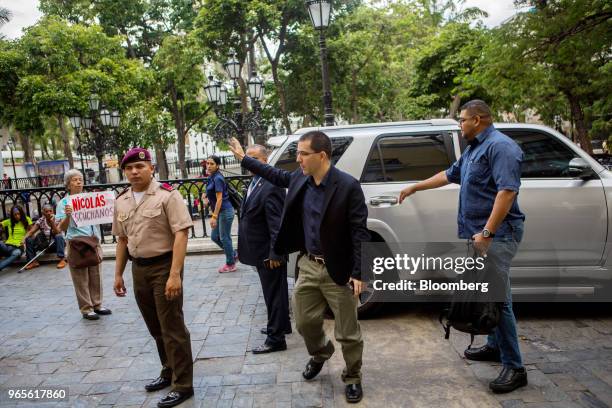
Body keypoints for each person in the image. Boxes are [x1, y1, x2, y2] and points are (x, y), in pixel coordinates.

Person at [228, 132, 370, 404]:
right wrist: (243, 159)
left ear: (322, 156)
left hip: (338, 270)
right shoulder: (299, 179)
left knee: (348, 332)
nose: (298, 159)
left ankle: (352, 377)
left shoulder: (348, 186)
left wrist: (359, 272)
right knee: (304, 323)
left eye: (303, 154)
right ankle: (320, 352)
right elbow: (273, 174)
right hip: (307, 265)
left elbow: (360, 232)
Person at [399, 100, 527, 394]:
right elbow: (449, 174)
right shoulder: (474, 148)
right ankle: (495, 347)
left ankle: (515, 367)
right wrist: (415, 186)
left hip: (497, 235)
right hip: (481, 236)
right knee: (487, 293)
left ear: (478, 119)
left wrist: (487, 232)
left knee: (498, 299)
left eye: (462, 120)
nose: (460, 125)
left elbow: (507, 193)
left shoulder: (501, 147)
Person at [113, 147, 194, 408]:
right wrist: (118, 274)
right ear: (124, 171)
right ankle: (168, 369)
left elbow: (182, 234)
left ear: (151, 168)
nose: (134, 172)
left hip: (164, 266)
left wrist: (175, 275)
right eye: (129, 168)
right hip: (139, 269)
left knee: (172, 326)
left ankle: (183, 385)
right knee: (155, 327)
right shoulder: (122, 200)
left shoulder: (168, 196)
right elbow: (122, 240)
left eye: (140, 167)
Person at [238, 144, 291, 354]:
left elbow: (276, 223)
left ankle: (275, 338)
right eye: (247, 157)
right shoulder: (256, 182)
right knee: (276, 292)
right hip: (259, 249)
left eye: (255, 158)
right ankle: (281, 325)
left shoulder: (271, 185)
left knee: (274, 294)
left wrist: (275, 253)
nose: (250, 162)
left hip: (269, 253)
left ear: (265, 161)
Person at [56, 169, 111, 321]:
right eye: (75, 180)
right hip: (76, 241)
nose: (79, 182)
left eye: (80, 179)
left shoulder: (89, 199)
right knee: (80, 277)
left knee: (96, 273)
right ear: (68, 185)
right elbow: (61, 227)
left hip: (92, 240)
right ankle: (86, 308)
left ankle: (97, 304)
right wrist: (68, 215)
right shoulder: (63, 203)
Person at [205, 155, 237, 273]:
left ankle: (230, 264)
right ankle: (233, 254)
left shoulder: (218, 178)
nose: (208, 166)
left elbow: (219, 199)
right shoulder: (212, 176)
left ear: (217, 165)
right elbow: (211, 192)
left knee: (224, 238)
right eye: (207, 163)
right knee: (215, 237)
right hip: (220, 212)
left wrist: (214, 216)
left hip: (224, 211)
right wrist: (206, 196)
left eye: (211, 164)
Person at [23, 203, 66, 270]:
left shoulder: (58, 218)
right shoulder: (41, 220)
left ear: (53, 211)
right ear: (43, 213)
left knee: (58, 236)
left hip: (57, 244)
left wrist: (52, 223)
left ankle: (62, 260)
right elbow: (31, 231)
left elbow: (57, 232)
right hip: (46, 244)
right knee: (28, 239)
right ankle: (33, 261)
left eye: (50, 211)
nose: (49, 213)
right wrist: (23, 239)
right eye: (46, 211)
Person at [0, 205, 31, 271]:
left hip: (18, 247)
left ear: (21, 213)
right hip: (7, 246)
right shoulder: (9, 221)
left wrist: (24, 240)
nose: (17, 216)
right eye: (15, 214)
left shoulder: (27, 219)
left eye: (18, 214)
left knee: (16, 253)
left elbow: (31, 232)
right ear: (12, 215)